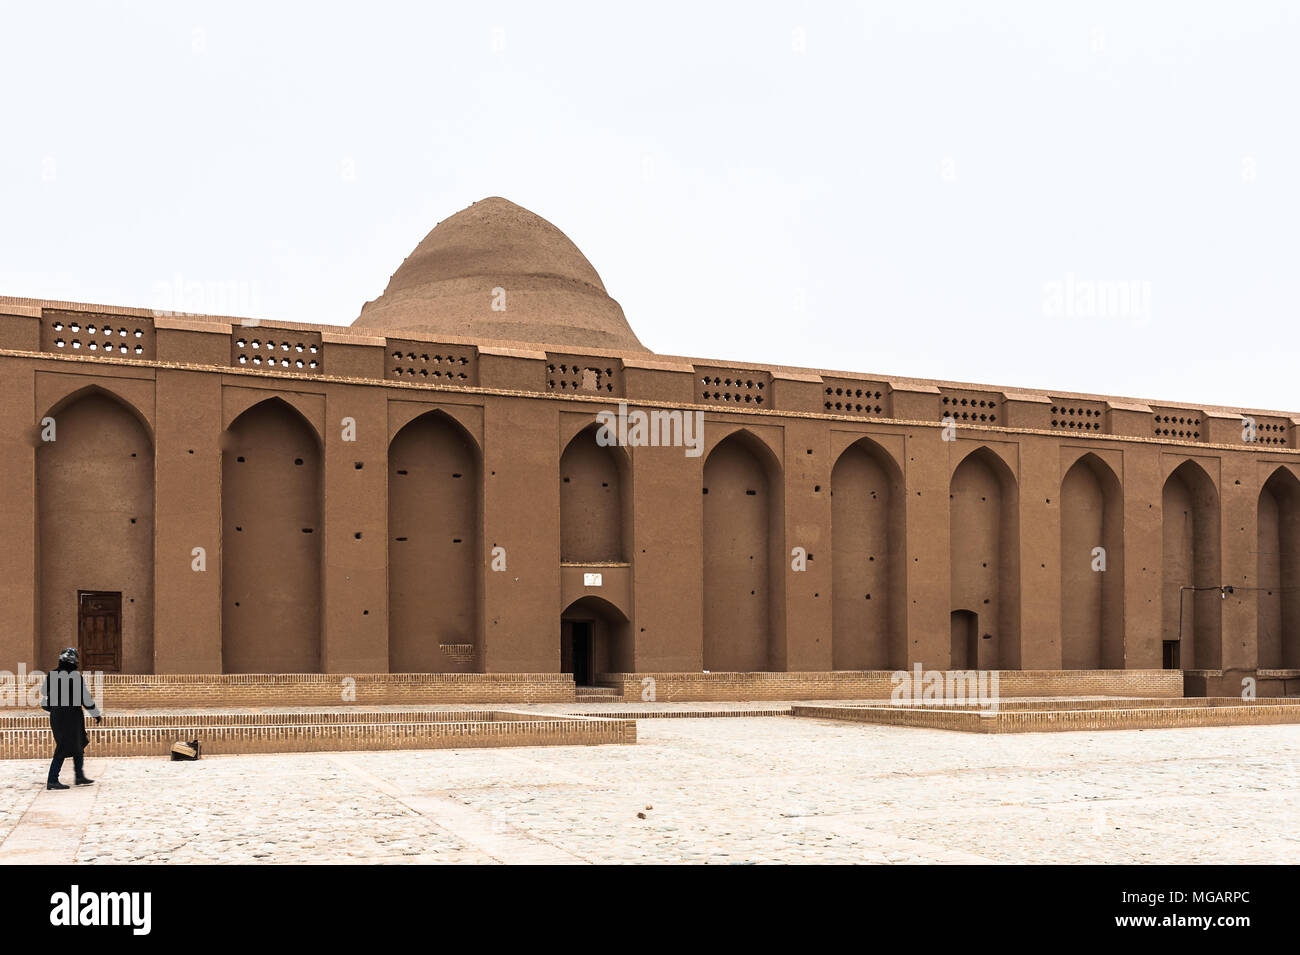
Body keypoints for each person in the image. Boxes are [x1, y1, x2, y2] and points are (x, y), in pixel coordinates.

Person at [41, 647, 102, 790]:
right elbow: (85, 698)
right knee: (64, 746)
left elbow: (45, 692)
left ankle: (79, 776)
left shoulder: (52, 675)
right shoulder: (75, 677)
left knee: (78, 743)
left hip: (58, 716)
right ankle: (52, 780)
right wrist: (95, 714)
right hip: (71, 717)